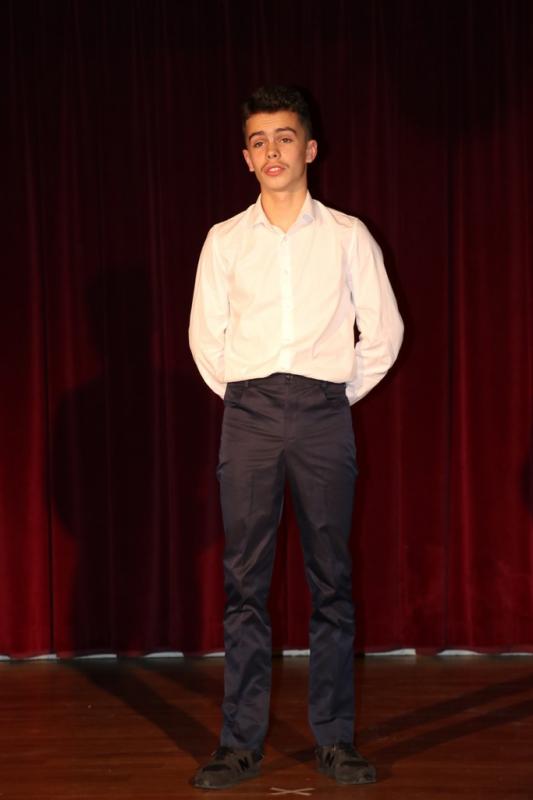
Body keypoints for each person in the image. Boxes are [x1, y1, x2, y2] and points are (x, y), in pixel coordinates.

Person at [189, 85, 403, 789]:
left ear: (309, 149)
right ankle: (238, 744)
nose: (272, 150)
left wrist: (332, 396)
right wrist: (248, 397)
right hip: (248, 414)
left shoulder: (346, 235)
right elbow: (205, 340)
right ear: (246, 158)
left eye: (284, 137)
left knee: (331, 582)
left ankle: (335, 741)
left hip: (321, 414)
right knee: (244, 585)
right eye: (259, 140)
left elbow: (384, 332)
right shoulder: (224, 240)